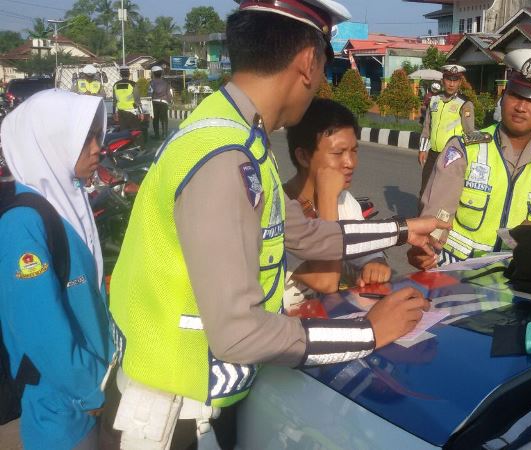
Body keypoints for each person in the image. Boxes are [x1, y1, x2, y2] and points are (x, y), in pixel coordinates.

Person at [105, 1, 448, 448]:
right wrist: (367, 333)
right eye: (325, 68)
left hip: (195, 399)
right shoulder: (223, 155)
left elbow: (303, 234)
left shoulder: (239, 135)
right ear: (307, 62)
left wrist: (403, 230)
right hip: (170, 417)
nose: (321, 82)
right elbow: (239, 333)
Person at [0, 90, 113, 449]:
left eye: (98, 135)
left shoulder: (71, 201)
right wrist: (86, 391)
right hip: (61, 407)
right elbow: (40, 330)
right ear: (50, 142)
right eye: (86, 138)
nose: (98, 147)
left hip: (91, 388)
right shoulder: (24, 224)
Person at [409, 49, 531, 270]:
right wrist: (429, 247)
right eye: (515, 95)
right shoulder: (465, 149)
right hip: (455, 272)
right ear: (503, 97)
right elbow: (439, 214)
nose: (521, 107)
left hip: (516, 280)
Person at [282, 98, 392, 307]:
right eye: (338, 153)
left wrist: (375, 264)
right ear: (304, 156)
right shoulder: (281, 210)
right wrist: (327, 197)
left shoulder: (345, 201)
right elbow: (327, 280)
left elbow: (365, 251)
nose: (350, 163)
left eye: (354, 151)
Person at [418, 64, 475, 196]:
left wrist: (467, 159)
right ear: (443, 80)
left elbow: (469, 133)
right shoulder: (434, 100)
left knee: (444, 195)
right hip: (432, 154)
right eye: (449, 79)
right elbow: (427, 127)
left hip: (452, 157)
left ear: (460, 82)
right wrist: (422, 149)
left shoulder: (465, 104)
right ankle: (421, 216)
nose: (451, 84)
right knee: (425, 191)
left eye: (455, 80)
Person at [112, 66, 142, 132]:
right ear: (129, 74)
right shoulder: (133, 84)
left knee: (124, 133)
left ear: (120, 75)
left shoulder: (115, 85)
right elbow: (137, 100)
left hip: (121, 113)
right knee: (134, 132)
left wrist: (114, 113)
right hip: (132, 112)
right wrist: (141, 112)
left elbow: (114, 101)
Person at [148, 66, 172, 139]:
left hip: (155, 102)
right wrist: (169, 101)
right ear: (161, 73)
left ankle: (157, 135)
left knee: (155, 120)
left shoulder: (151, 83)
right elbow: (170, 94)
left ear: (153, 74)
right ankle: (164, 134)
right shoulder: (166, 83)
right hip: (164, 102)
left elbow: (149, 94)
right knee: (164, 119)